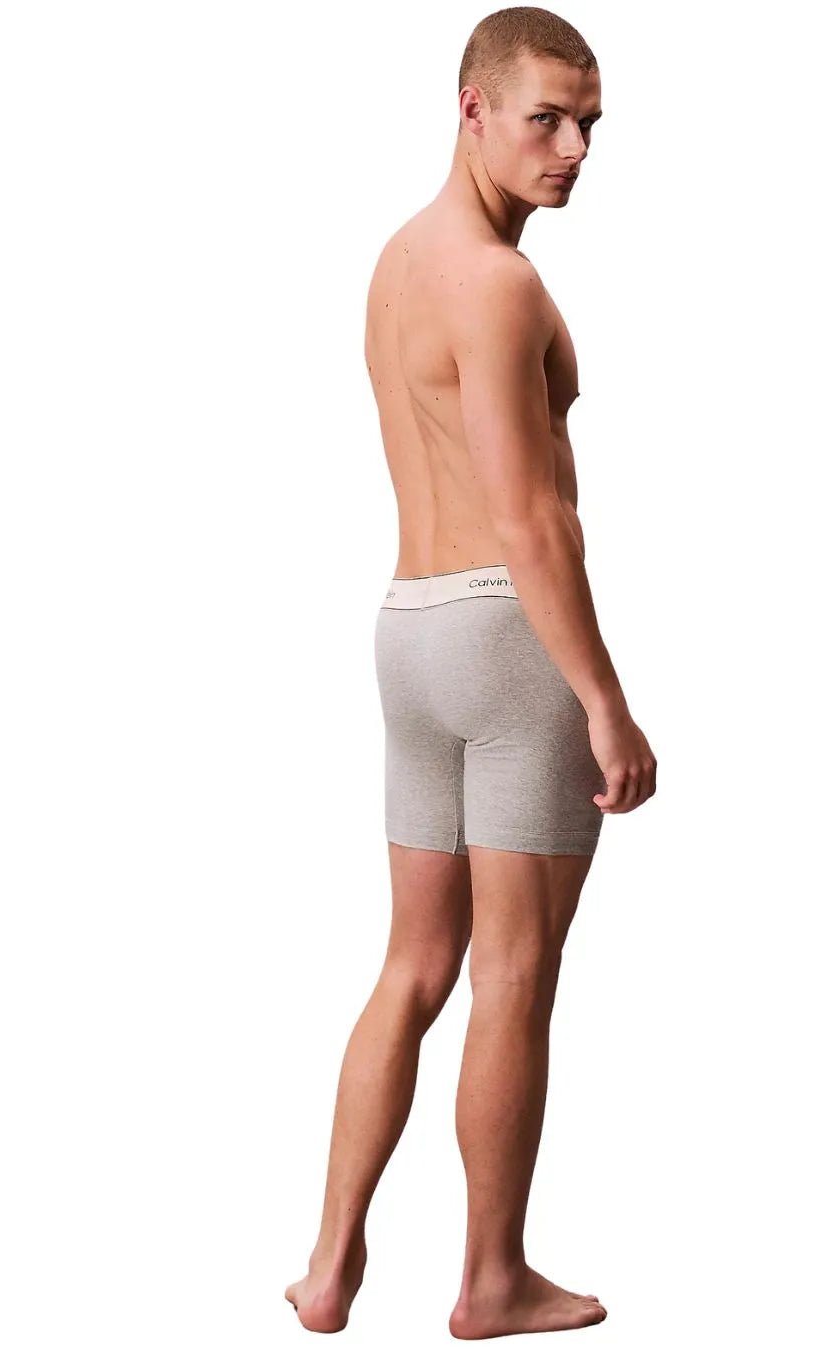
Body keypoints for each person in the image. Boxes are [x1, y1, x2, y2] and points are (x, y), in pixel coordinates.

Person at [285, 6, 656, 1338]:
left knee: (413, 963)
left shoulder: (398, 262)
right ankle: (491, 1277)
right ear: (471, 108)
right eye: (546, 119)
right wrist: (605, 701)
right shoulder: (497, 285)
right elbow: (529, 519)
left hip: (410, 631)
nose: (574, 150)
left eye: (589, 125)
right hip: (508, 642)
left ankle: (329, 1264)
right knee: (513, 969)